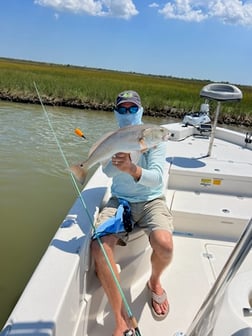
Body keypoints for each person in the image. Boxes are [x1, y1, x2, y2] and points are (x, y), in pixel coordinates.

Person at [91, 90, 173, 336]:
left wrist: (132, 168)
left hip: (151, 201)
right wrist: (118, 164)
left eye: (132, 108)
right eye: (123, 109)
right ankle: (119, 320)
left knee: (165, 244)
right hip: (121, 201)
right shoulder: (115, 138)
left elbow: (157, 178)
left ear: (141, 111)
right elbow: (106, 173)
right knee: (99, 247)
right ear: (116, 113)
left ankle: (154, 281)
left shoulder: (154, 139)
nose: (128, 113)